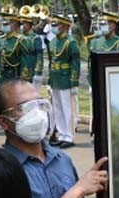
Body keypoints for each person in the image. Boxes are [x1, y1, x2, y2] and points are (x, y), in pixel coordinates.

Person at [48, 14, 80, 149]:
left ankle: (69, 136)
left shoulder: (70, 42)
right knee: (58, 108)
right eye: (55, 24)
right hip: (56, 77)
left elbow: (75, 62)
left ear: (66, 26)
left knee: (68, 109)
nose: (56, 26)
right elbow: (51, 62)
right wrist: (50, 80)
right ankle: (62, 135)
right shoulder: (53, 41)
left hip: (66, 78)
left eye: (59, 24)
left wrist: (74, 81)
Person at [0, 12, 24, 82]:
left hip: (14, 75)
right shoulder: (1, 39)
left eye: (7, 24)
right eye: (3, 24)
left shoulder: (20, 40)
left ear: (15, 24)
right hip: (3, 74)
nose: (4, 25)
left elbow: (24, 60)